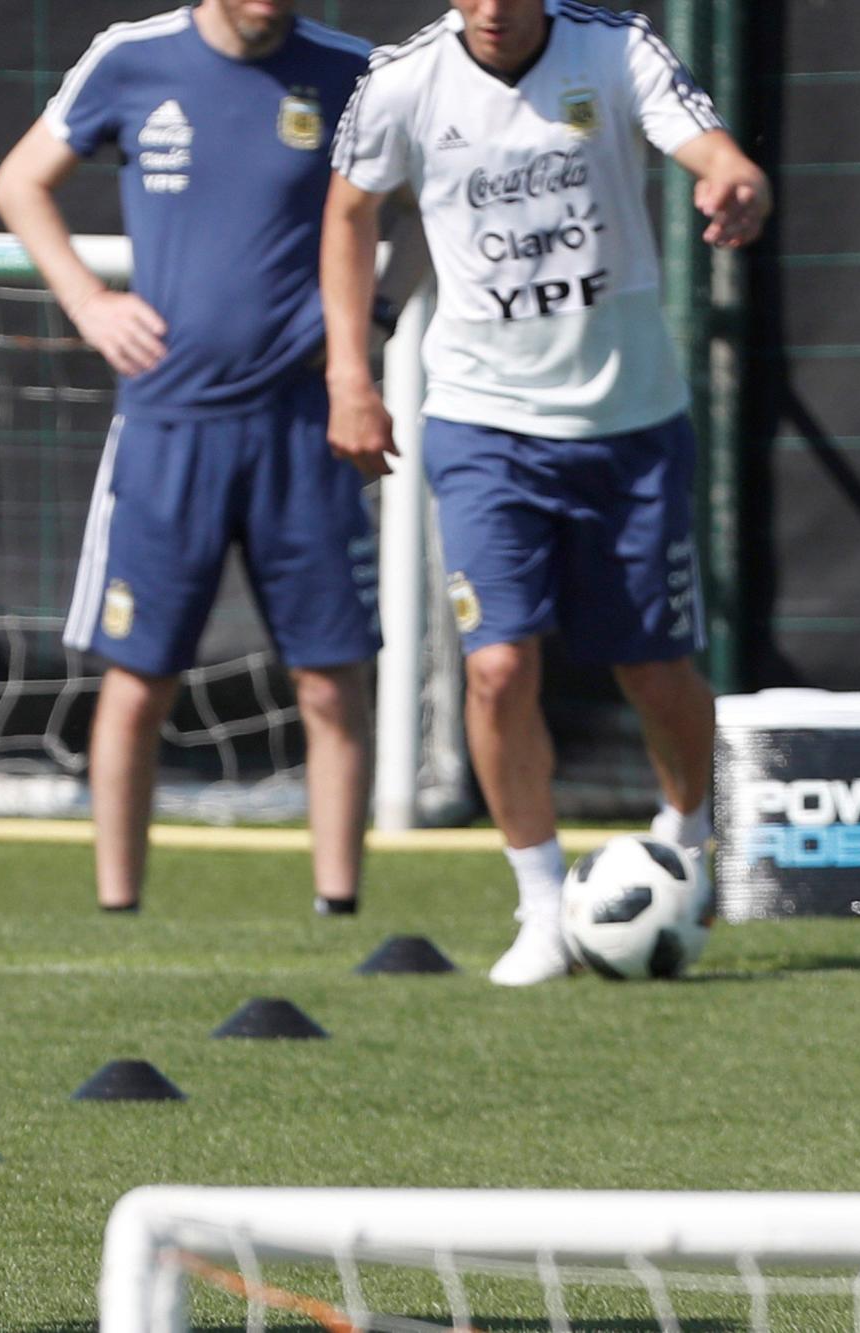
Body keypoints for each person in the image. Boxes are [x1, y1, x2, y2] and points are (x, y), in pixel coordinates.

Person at [321, 0, 771, 983]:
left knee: (653, 672)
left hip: (629, 425)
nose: (488, 10)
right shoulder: (402, 81)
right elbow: (349, 211)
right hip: (482, 425)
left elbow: (704, 145)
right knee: (494, 667)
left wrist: (733, 177)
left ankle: (683, 846)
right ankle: (536, 905)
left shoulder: (613, 50)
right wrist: (349, 375)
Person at [0, 0, 382, 915]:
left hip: (303, 425)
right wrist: (88, 301)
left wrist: (377, 322)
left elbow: (407, 202)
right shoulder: (131, 58)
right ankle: (117, 909)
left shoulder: (354, 72)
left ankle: (339, 906)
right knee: (139, 678)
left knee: (330, 678)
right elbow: (20, 182)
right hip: (169, 426)